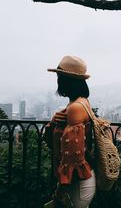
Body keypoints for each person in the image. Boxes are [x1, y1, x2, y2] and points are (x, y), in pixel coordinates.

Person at [45, 55, 96, 208]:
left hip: (77, 183)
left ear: (66, 80)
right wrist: (54, 122)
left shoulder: (75, 108)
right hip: (79, 181)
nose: (57, 81)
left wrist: (60, 192)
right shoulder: (80, 102)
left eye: (59, 77)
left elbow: (73, 158)